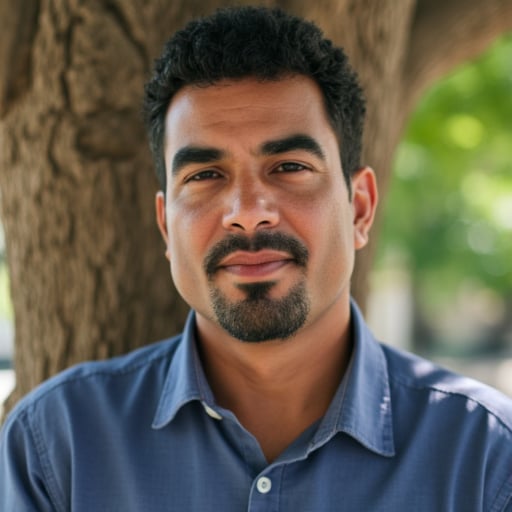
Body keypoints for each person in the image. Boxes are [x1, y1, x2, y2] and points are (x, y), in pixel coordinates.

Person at [1, 6, 512, 511]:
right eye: (204, 176)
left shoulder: (485, 457)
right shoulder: (55, 447)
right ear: (165, 226)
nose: (247, 214)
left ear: (359, 209)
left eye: (288, 166)